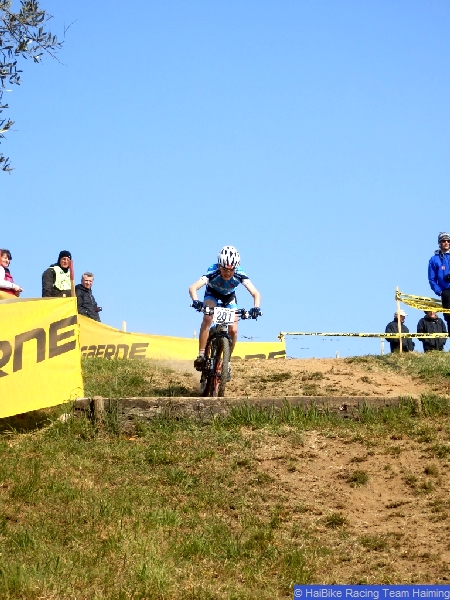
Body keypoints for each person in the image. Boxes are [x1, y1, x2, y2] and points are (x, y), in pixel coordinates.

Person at [189, 245, 261, 371]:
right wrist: (196, 301)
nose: (228, 273)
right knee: (207, 317)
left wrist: (256, 308)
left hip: (229, 297)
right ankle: (201, 355)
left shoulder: (240, 273)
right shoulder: (213, 271)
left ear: (235, 268)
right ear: (219, 266)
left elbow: (255, 293)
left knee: (233, 329)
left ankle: (227, 361)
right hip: (212, 294)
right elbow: (193, 287)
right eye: (225, 270)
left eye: (231, 270)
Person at [428, 232, 450, 334]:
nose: (446, 243)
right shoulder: (434, 259)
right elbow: (432, 279)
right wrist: (440, 291)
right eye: (443, 241)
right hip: (445, 291)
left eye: (448, 241)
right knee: (449, 316)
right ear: (439, 243)